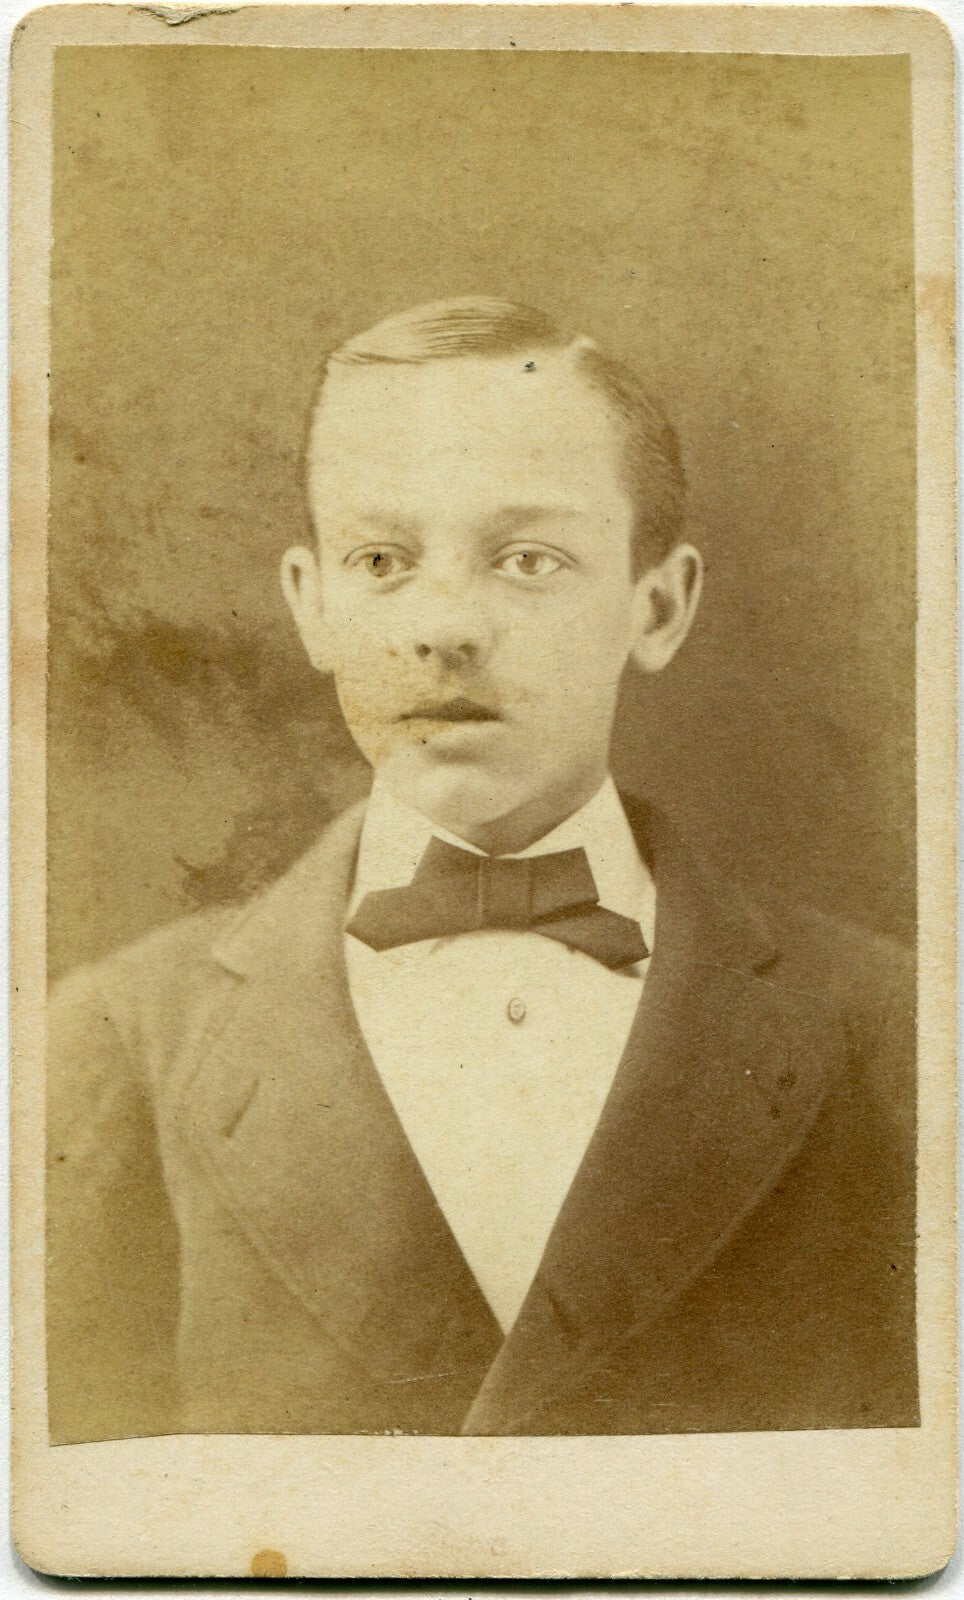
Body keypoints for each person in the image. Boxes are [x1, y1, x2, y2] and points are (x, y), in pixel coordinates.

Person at [46, 297, 917, 1443]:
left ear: (655, 606)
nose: (445, 624)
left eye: (526, 558)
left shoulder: (892, 1027)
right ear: (312, 605)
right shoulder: (118, 1039)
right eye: (381, 559)